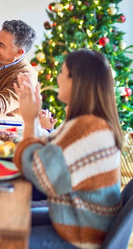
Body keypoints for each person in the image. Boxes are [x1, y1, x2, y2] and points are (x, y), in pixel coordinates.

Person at [14, 49, 123, 248]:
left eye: (62, 72)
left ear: (76, 81)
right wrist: (33, 119)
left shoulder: (87, 128)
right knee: (9, 220)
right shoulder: (92, 122)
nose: (57, 78)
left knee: (4, 237)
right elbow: (50, 149)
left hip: (80, 236)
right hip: (77, 223)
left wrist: (30, 121)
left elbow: (36, 172)